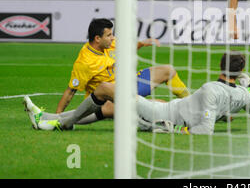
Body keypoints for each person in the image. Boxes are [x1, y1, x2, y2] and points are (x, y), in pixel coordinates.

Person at [23, 18, 189, 129]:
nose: (112, 38)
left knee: (168, 70)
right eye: (109, 35)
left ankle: (191, 104)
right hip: (108, 99)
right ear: (97, 38)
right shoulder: (85, 62)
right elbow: (70, 92)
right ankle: (54, 120)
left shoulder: (110, 44)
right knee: (158, 105)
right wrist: (59, 112)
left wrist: (142, 43)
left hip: (129, 84)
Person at [136, 52, 250, 135]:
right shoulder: (243, 93)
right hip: (174, 107)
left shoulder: (211, 89)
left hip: (164, 114)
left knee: (124, 94)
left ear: (220, 65)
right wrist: (249, 87)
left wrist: (174, 128)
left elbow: (205, 129)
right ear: (241, 70)